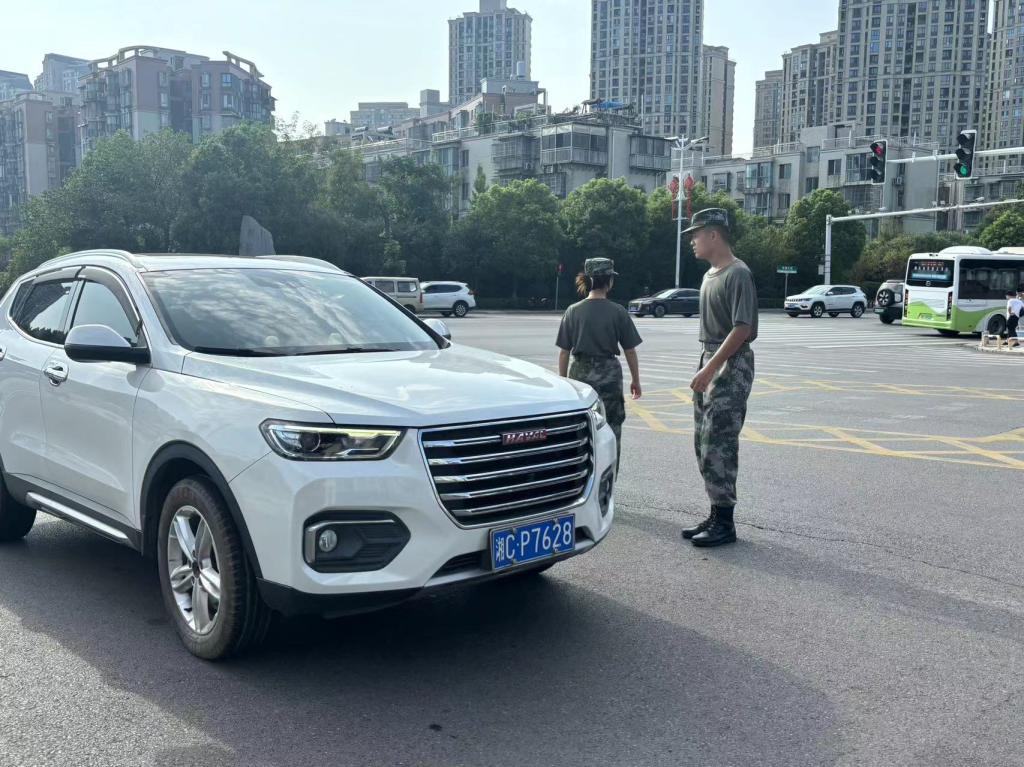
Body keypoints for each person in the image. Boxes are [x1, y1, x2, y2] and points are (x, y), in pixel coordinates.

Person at [680, 208, 758, 548]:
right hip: (710, 357)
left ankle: (725, 523)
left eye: (696, 234)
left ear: (714, 235)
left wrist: (710, 368)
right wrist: (706, 364)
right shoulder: (710, 275)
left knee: (720, 442)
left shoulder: (738, 273)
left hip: (731, 364)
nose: (692, 241)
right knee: (703, 441)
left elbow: (743, 329)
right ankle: (716, 513)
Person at [556, 258, 642, 469]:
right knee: (612, 428)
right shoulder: (618, 311)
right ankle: (609, 478)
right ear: (609, 281)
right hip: (609, 375)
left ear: (587, 280)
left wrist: (563, 383)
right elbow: (630, 350)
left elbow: (564, 352)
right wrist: (636, 380)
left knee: (581, 429)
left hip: (580, 375)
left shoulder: (573, 311)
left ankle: (582, 476)